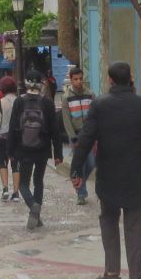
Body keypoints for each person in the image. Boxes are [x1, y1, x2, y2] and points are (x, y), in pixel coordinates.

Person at [70, 62, 141, 279]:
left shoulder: (99, 105)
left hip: (108, 173)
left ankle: (111, 270)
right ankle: (137, 277)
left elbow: (86, 138)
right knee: (134, 226)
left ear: (110, 80)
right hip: (136, 174)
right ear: (130, 79)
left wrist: (76, 170)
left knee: (109, 220)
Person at [8, 79, 63, 229]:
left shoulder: (19, 101)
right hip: (42, 148)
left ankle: (33, 205)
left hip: (23, 148)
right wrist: (58, 153)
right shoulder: (47, 102)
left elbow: (13, 127)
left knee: (23, 183)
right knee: (38, 181)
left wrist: (10, 151)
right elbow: (55, 129)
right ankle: (36, 216)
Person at [58, 67, 96, 204]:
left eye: (80, 78)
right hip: (76, 134)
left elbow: (94, 116)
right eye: (76, 79)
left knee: (91, 162)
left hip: (89, 134)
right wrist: (73, 137)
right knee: (80, 163)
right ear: (71, 79)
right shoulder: (66, 97)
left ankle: (80, 182)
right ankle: (81, 193)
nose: (79, 81)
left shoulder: (90, 94)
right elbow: (66, 120)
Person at [0, 76, 20, 201]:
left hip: (2, 136)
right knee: (16, 164)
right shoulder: (20, 101)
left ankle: (5, 189)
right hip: (17, 136)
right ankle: (16, 192)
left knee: (3, 162)